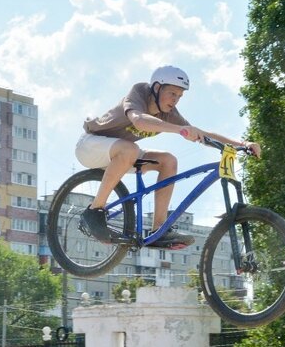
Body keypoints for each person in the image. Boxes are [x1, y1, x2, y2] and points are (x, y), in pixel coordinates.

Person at [75, 65, 262, 248]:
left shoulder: (169, 114)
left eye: (180, 96)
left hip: (120, 155)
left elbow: (202, 134)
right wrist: (180, 130)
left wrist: (243, 144)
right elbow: (139, 121)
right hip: (91, 144)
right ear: (157, 88)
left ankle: (159, 230)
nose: (175, 100)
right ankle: (94, 211)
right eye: (172, 93)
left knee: (168, 161)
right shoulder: (140, 92)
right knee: (130, 149)